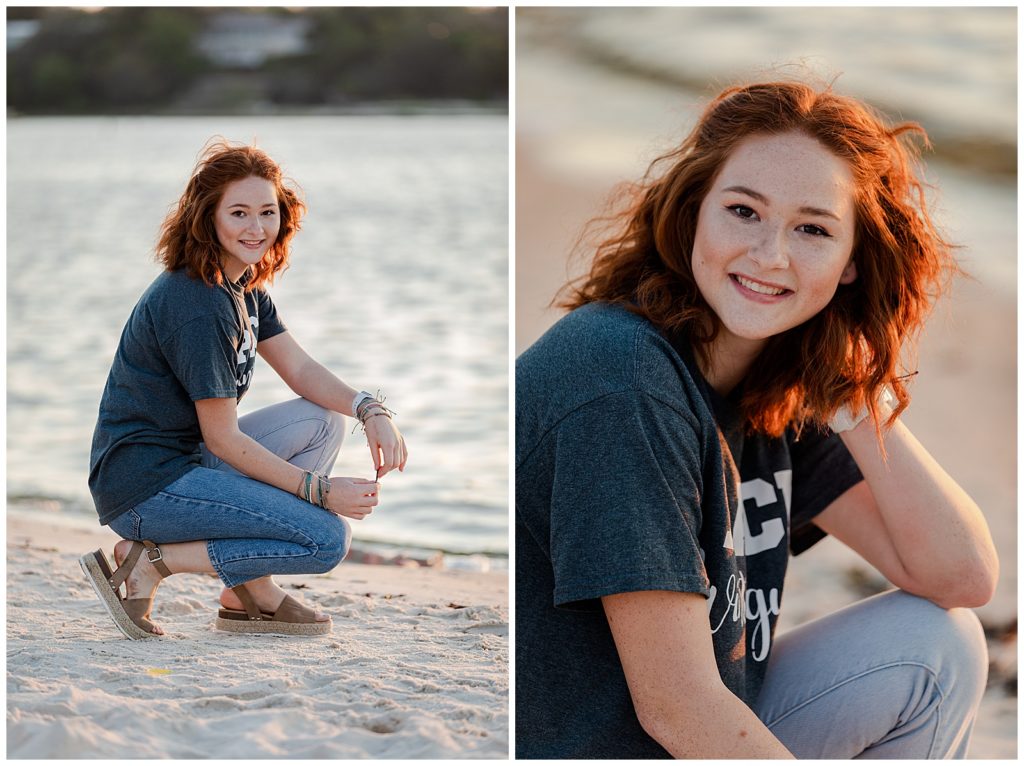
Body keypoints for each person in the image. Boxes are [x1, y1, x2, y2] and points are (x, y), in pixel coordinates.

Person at [515, 81, 998, 758]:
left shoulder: (773, 386)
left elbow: (960, 578)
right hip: (608, 742)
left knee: (937, 647)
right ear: (693, 214)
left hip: (694, 726)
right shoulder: (621, 383)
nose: (771, 254)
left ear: (852, 261)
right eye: (743, 211)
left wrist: (858, 396)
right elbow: (678, 710)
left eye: (813, 229)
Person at [81, 140, 408, 639]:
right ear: (206, 216)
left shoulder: (243, 285)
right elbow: (224, 440)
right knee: (323, 539)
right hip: (144, 486)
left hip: (185, 463)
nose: (256, 229)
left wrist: (371, 410)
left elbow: (299, 369)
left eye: (267, 212)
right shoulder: (197, 304)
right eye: (238, 213)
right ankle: (152, 561)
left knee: (322, 420)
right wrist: (322, 493)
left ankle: (244, 590)